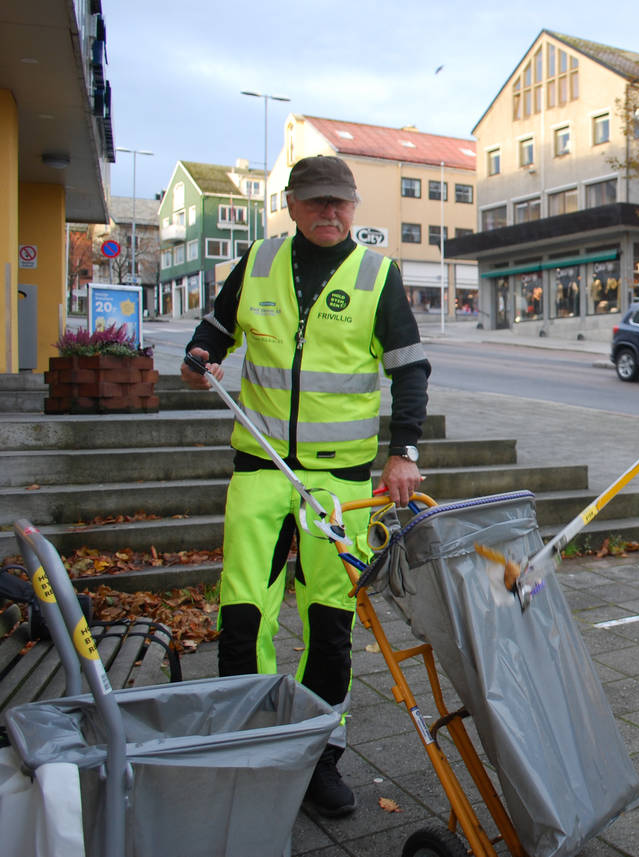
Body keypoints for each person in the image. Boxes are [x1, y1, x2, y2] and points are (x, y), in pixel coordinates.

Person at [180, 155, 431, 818]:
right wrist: (200, 356)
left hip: (338, 483)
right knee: (242, 617)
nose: (331, 213)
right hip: (260, 471)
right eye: (317, 202)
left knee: (330, 621)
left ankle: (319, 756)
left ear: (354, 206)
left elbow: (410, 371)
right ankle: (248, 752)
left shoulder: (379, 275)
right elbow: (214, 330)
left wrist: (402, 453)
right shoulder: (259, 261)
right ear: (290, 204)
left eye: (341, 203)